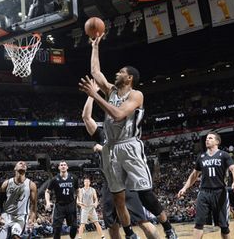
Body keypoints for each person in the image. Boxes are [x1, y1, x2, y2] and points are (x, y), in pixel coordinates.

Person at [79, 34, 178, 239]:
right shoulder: (111, 91)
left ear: (129, 78)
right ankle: (128, 233)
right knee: (118, 198)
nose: (117, 73)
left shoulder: (136, 95)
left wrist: (94, 95)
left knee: (144, 194)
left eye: (121, 72)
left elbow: (118, 115)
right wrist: (95, 47)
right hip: (111, 148)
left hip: (130, 145)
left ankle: (168, 227)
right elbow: (95, 72)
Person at [81, 89, 167, 239]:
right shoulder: (102, 135)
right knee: (112, 226)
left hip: (127, 182)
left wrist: (103, 149)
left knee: (142, 221)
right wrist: (91, 96)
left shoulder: (127, 135)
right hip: (109, 184)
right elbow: (86, 117)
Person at [177, 132, 234, 239]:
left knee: (224, 226)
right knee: (198, 224)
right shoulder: (201, 157)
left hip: (220, 192)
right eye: (206, 138)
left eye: (210, 138)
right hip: (204, 192)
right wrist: (184, 188)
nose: (207, 140)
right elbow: (194, 175)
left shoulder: (224, 155)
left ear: (217, 142)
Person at [0, 161, 37, 239]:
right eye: (20, 163)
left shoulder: (31, 185)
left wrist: (31, 218)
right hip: (6, 215)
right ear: (15, 168)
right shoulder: (6, 183)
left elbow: (33, 204)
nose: (23, 164)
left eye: (25, 164)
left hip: (21, 217)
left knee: (15, 236)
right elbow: (0, 202)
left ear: (26, 169)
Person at [45, 161, 79, 239]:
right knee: (57, 228)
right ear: (59, 168)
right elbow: (47, 191)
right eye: (61, 165)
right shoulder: (54, 179)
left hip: (71, 204)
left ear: (67, 167)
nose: (63, 166)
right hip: (59, 206)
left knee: (74, 227)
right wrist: (47, 202)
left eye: (64, 165)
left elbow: (78, 190)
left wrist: (78, 200)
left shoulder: (74, 178)